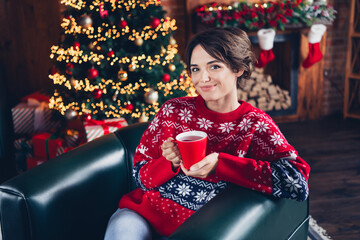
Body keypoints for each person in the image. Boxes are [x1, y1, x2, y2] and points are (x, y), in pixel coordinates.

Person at [104, 27, 310, 240]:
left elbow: (298, 183)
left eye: (214, 66)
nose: (202, 78)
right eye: (195, 69)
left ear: (238, 68)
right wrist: (169, 163)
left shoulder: (254, 124)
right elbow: (140, 176)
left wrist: (220, 165)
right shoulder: (172, 111)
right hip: (141, 216)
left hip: (201, 230)